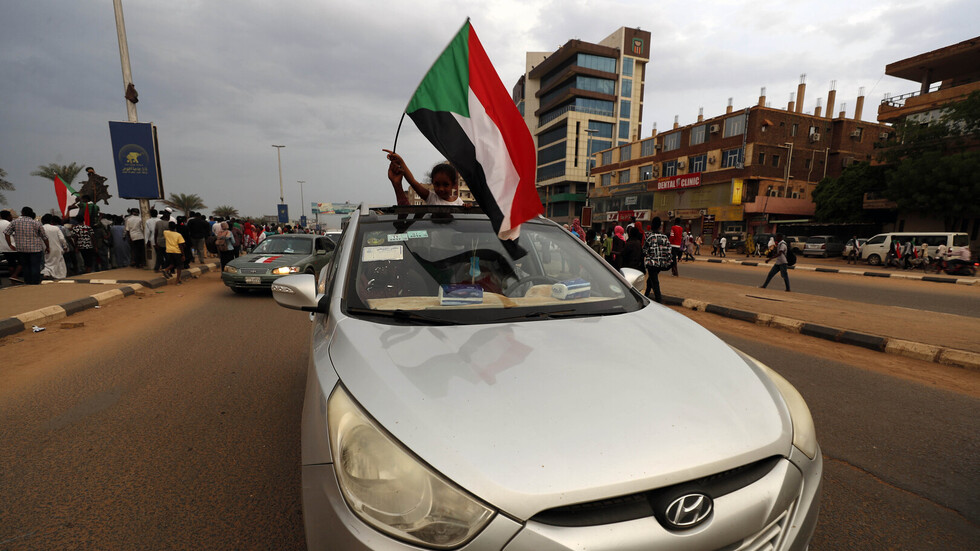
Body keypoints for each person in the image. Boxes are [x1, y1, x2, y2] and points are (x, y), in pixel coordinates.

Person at [384, 150, 464, 206]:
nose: (441, 189)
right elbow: (413, 182)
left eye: (445, 185)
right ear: (432, 183)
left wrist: (467, 207)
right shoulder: (432, 198)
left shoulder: (458, 201)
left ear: (453, 184)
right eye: (437, 184)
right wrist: (401, 162)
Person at [4, 207, 50, 285]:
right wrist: (47, 247)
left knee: (26, 267)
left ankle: (28, 282)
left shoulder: (15, 222)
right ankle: (35, 283)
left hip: (21, 249)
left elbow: (6, 233)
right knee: (35, 267)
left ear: (22, 213)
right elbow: (44, 237)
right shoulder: (36, 223)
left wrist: (10, 244)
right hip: (35, 249)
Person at [642, 217, 672, 303]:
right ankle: (646, 296)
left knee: (655, 283)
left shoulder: (649, 237)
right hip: (661, 263)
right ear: (660, 227)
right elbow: (669, 250)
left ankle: (659, 301)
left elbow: (644, 251)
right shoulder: (665, 237)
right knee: (651, 280)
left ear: (652, 226)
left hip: (651, 264)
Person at [40, 214, 68, 279]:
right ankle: (60, 276)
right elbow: (62, 239)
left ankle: (46, 273)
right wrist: (65, 246)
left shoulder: (41, 228)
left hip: (45, 248)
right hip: (57, 248)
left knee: (48, 263)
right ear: (51, 221)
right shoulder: (56, 228)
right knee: (59, 262)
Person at [0, 209, 23, 284]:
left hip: (3, 247)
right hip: (13, 246)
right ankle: (14, 275)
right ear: (8, 216)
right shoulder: (10, 224)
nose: (11, 217)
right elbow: (15, 234)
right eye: (10, 216)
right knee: (22, 262)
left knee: (11, 263)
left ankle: (13, 279)